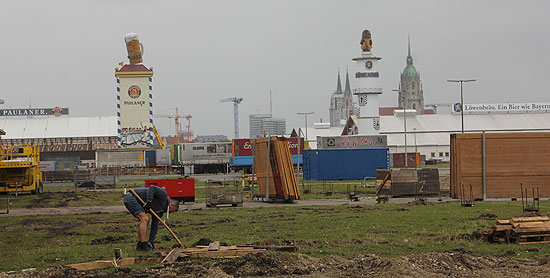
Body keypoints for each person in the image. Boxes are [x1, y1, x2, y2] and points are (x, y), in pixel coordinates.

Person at [123, 185, 180, 251]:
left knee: (144, 219)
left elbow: (154, 226)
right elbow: (152, 187)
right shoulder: (163, 195)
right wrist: (149, 201)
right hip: (132, 196)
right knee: (145, 219)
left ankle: (141, 245)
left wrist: (151, 242)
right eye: (171, 210)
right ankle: (143, 244)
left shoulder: (160, 211)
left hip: (135, 200)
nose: (170, 212)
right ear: (171, 205)